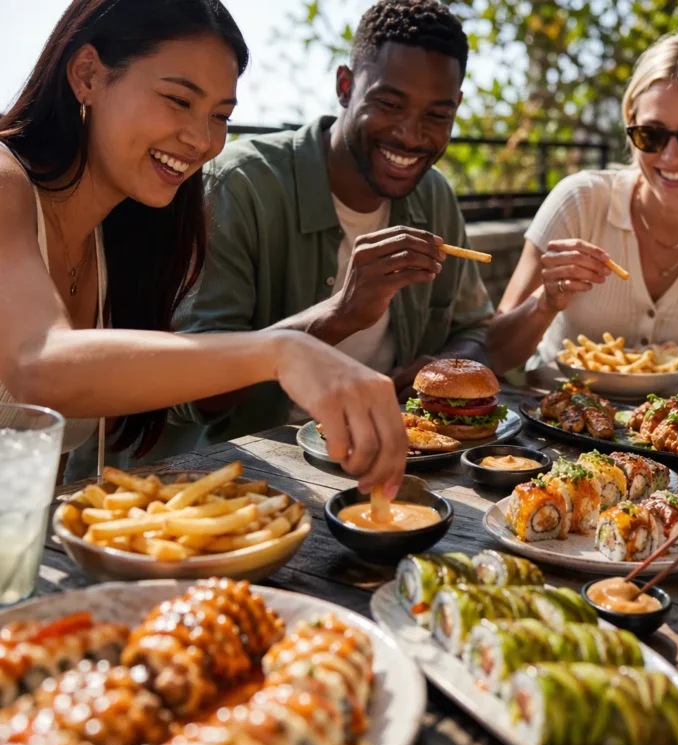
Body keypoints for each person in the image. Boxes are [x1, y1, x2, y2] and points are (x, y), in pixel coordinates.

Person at [0, 0, 406, 496]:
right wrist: (282, 352)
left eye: (220, 115)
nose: (201, 138)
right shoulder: (5, 182)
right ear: (87, 74)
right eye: (178, 100)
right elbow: (37, 367)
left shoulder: (120, 238)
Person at [102, 0, 493, 466]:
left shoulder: (434, 197)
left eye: (437, 115)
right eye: (389, 104)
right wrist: (339, 314)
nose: (411, 135)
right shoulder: (239, 186)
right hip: (240, 473)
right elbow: (191, 393)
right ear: (345, 86)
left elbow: (475, 328)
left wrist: (443, 371)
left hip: (391, 460)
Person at [487, 33, 678, 380]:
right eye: (651, 134)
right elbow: (494, 352)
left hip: (667, 428)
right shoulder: (579, 200)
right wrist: (545, 303)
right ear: (630, 124)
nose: (671, 156)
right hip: (554, 419)